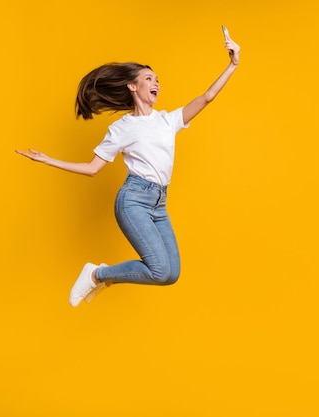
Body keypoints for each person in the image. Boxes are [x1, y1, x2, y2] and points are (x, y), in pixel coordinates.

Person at [16, 29, 240, 307]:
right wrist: (48, 159)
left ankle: (103, 277)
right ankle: (97, 274)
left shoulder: (167, 120)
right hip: (133, 200)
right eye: (148, 78)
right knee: (159, 269)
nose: (156, 82)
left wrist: (232, 65)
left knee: (171, 274)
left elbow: (206, 97)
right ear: (133, 87)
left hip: (159, 203)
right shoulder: (122, 127)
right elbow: (92, 168)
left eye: (157, 79)